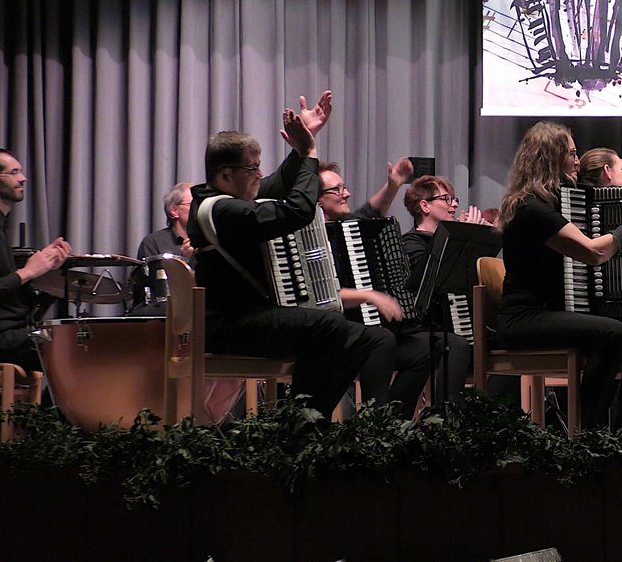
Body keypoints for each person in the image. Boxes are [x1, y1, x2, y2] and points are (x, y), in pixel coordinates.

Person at [185, 91, 381, 419]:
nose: (259, 174)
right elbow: (298, 211)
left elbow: (277, 184)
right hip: (230, 326)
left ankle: (304, 421)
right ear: (225, 175)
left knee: (358, 337)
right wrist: (309, 155)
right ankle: (299, 424)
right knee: (331, 327)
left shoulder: (222, 200)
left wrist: (302, 145)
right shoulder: (222, 210)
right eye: (252, 168)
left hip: (244, 319)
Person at [494, 124, 622, 427]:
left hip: (560, 311)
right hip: (527, 317)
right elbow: (594, 252)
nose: (578, 161)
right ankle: (590, 430)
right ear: (550, 157)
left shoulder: (563, 200)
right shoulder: (530, 208)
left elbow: (615, 234)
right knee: (612, 333)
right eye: (571, 154)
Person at [317, 160, 448, 415]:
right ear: (317, 200)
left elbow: (372, 211)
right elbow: (325, 295)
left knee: (430, 346)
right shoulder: (314, 238)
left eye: (344, 186)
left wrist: (394, 184)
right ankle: (375, 424)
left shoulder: (347, 227)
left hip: (363, 332)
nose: (347, 193)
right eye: (337, 189)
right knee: (382, 339)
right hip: (331, 332)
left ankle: (394, 423)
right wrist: (370, 296)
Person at [0, 149, 72, 371]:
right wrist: (28, 272)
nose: (23, 178)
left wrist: (48, 268)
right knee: (69, 346)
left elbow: (15, 302)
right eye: (14, 172)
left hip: (8, 334)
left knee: (76, 340)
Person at [131, 181, 195, 315]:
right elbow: (150, 289)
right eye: (193, 203)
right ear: (174, 211)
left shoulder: (210, 239)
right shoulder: (154, 242)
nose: (199, 208)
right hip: (165, 311)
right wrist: (186, 262)